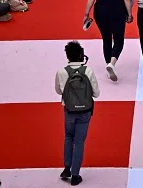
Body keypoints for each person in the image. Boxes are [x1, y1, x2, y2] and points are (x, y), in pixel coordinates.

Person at [83, 0, 132, 81]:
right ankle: (112, 63)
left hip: (100, 12)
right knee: (119, 40)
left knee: (106, 39)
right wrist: (129, 14)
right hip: (117, 12)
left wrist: (86, 14)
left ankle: (108, 65)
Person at [55, 41, 100, 186]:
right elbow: (96, 93)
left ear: (67, 55)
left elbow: (59, 91)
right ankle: (75, 175)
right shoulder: (88, 71)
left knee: (68, 136)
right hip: (85, 111)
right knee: (79, 141)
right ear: (81, 55)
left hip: (69, 110)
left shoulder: (61, 72)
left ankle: (66, 168)